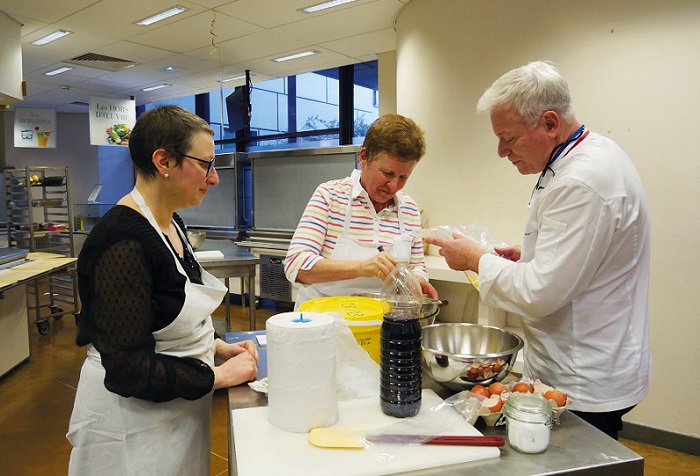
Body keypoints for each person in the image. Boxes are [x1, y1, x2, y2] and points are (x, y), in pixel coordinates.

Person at [426, 61, 651, 440]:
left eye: (509, 138)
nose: (501, 151)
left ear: (549, 123)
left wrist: (474, 259)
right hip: (585, 358)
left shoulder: (582, 180)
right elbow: (578, 258)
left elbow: (539, 293)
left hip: (584, 374)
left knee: (582, 456)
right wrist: (527, 255)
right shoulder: (584, 156)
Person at [67, 105, 259, 475]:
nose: (214, 178)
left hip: (175, 413)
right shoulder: (122, 239)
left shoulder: (171, 222)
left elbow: (164, 312)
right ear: (163, 161)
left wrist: (216, 347)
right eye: (206, 164)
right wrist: (219, 376)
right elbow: (128, 370)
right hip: (131, 425)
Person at [285, 113, 438, 310]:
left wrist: (417, 282)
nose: (393, 185)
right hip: (326, 320)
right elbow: (296, 265)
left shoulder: (408, 209)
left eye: (403, 177)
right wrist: (361, 268)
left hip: (379, 322)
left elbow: (417, 266)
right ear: (364, 157)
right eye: (387, 173)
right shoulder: (330, 196)